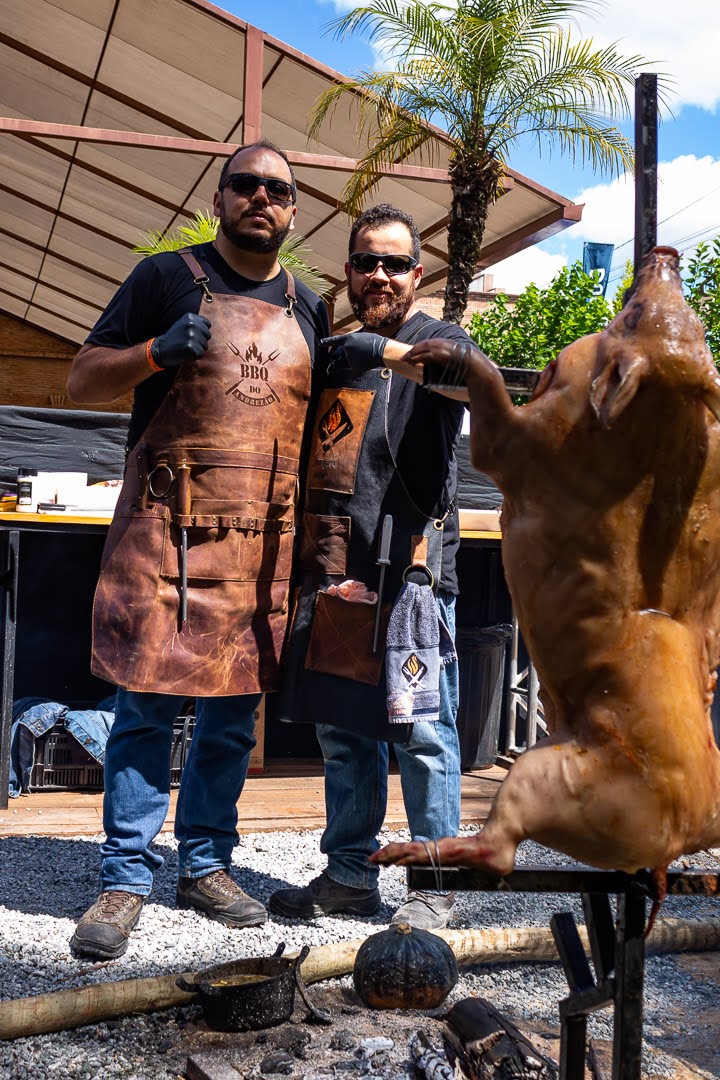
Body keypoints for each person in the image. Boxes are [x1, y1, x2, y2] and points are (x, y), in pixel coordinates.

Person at [66, 140, 328, 959]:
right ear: (220, 197)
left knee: (229, 716)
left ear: (293, 210)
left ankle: (207, 864)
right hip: (167, 533)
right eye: (246, 184)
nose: (261, 198)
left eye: (278, 190)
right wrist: (151, 352)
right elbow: (80, 381)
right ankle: (124, 877)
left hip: (260, 544)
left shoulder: (311, 306)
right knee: (144, 710)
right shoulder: (163, 278)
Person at [268, 203, 470, 930]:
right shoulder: (340, 352)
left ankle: (436, 884)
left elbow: (454, 369)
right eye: (366, 262)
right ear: (347, 272)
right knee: (342, 732)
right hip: (337, 572)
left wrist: (394, 354)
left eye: (394, 263)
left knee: (422, 733)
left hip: (412, 577)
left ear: (419, 274)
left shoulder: (441, 340)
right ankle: (350, 874)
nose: (379, 275)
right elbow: (330, 359)